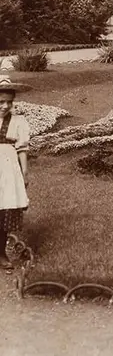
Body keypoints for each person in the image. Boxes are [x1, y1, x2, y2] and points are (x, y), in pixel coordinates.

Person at [0, 59, 30, 271]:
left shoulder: (18, 122)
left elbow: (22, 149)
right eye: (1, 102)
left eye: (9, 102)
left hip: (8, 168)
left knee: (4, 210)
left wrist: (24, 172)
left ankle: (1, 253)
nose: (5, 106)